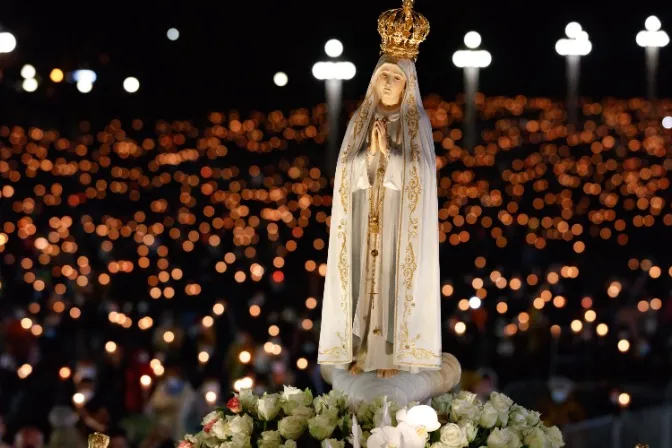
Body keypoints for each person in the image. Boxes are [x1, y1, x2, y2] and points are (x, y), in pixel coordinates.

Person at [318, 0, 441, 379]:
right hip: (364, 218)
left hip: (397, 223)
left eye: (397, 78)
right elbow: (345, 171)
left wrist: (392, 156)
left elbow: (421, 174)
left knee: (389, 281)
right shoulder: (361, 120)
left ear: (408, 84)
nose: (388, 83)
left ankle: (389, 355)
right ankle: (360, 352)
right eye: (384, 75)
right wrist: (368, 159)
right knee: (363, 280)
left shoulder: (415, 122)